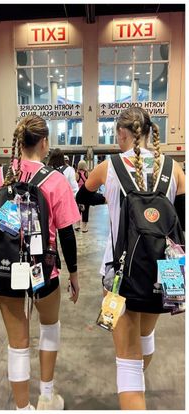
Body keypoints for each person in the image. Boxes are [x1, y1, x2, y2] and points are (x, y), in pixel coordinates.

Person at [76, 107, 185, 410]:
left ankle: (133, 390)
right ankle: (137, 384)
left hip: (120, 272)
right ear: (151, 132)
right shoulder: (174, 168)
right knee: (146, 336)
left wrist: (108, 198)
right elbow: (183, 221)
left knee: (127, 358)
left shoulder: (108, 167)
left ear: (121, 133)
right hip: (166, 269)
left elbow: (82, 198)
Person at [0, 115, 81, 410]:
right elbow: (66, 234)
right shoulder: (56, 180)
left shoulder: (1, 175)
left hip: (4, 267)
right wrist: (73, 274)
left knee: (17, 342)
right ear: (44, 142)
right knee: (50, 328)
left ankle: (23, 408)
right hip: (44, 268)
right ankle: (47, 396)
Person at [75, 160, 89, 233]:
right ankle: (84, 228)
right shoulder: (87, 174)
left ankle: (77, 225)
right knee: (85, 210)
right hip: (86, 194)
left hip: (78, 194)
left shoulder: (76, 174)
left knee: (78, 210)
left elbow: (74, 184)